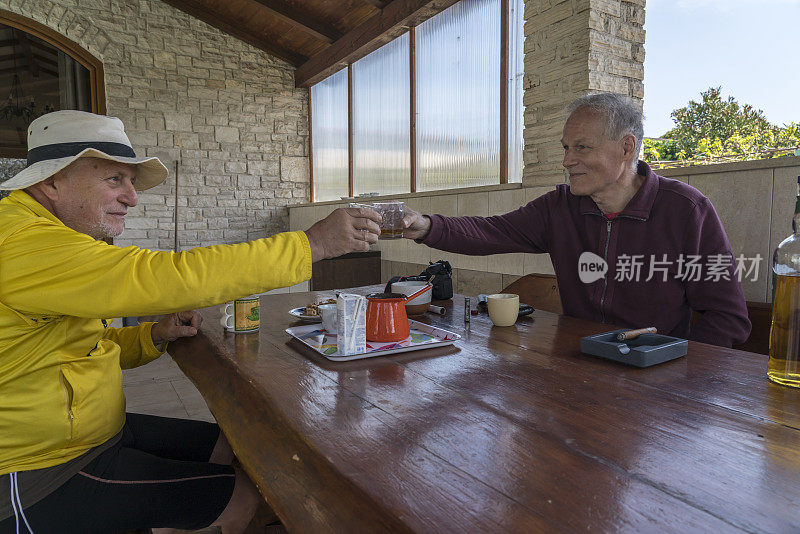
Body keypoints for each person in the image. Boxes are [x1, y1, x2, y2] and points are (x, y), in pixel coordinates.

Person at [0, 110, 381, 533]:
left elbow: (80, 344)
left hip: (93, 433)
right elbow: (164, 276)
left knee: (238, 449)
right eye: (114, 180)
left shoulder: (48, 238)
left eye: (130, 181)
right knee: (241, 495)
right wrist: (311, 245)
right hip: (37, 468)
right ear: (51, 181)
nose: (132, 197)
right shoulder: (18, 241)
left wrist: (152, 334)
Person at [401, 92, 751, 348]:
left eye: (581, 147)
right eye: (566, 148)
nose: (567, 160)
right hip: (577, 364)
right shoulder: (560, 206)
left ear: (627, 148)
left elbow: (728, 318)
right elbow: (492, 231)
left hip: (654, 376)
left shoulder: (687, 210)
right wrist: (426, 226)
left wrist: (677, 371)